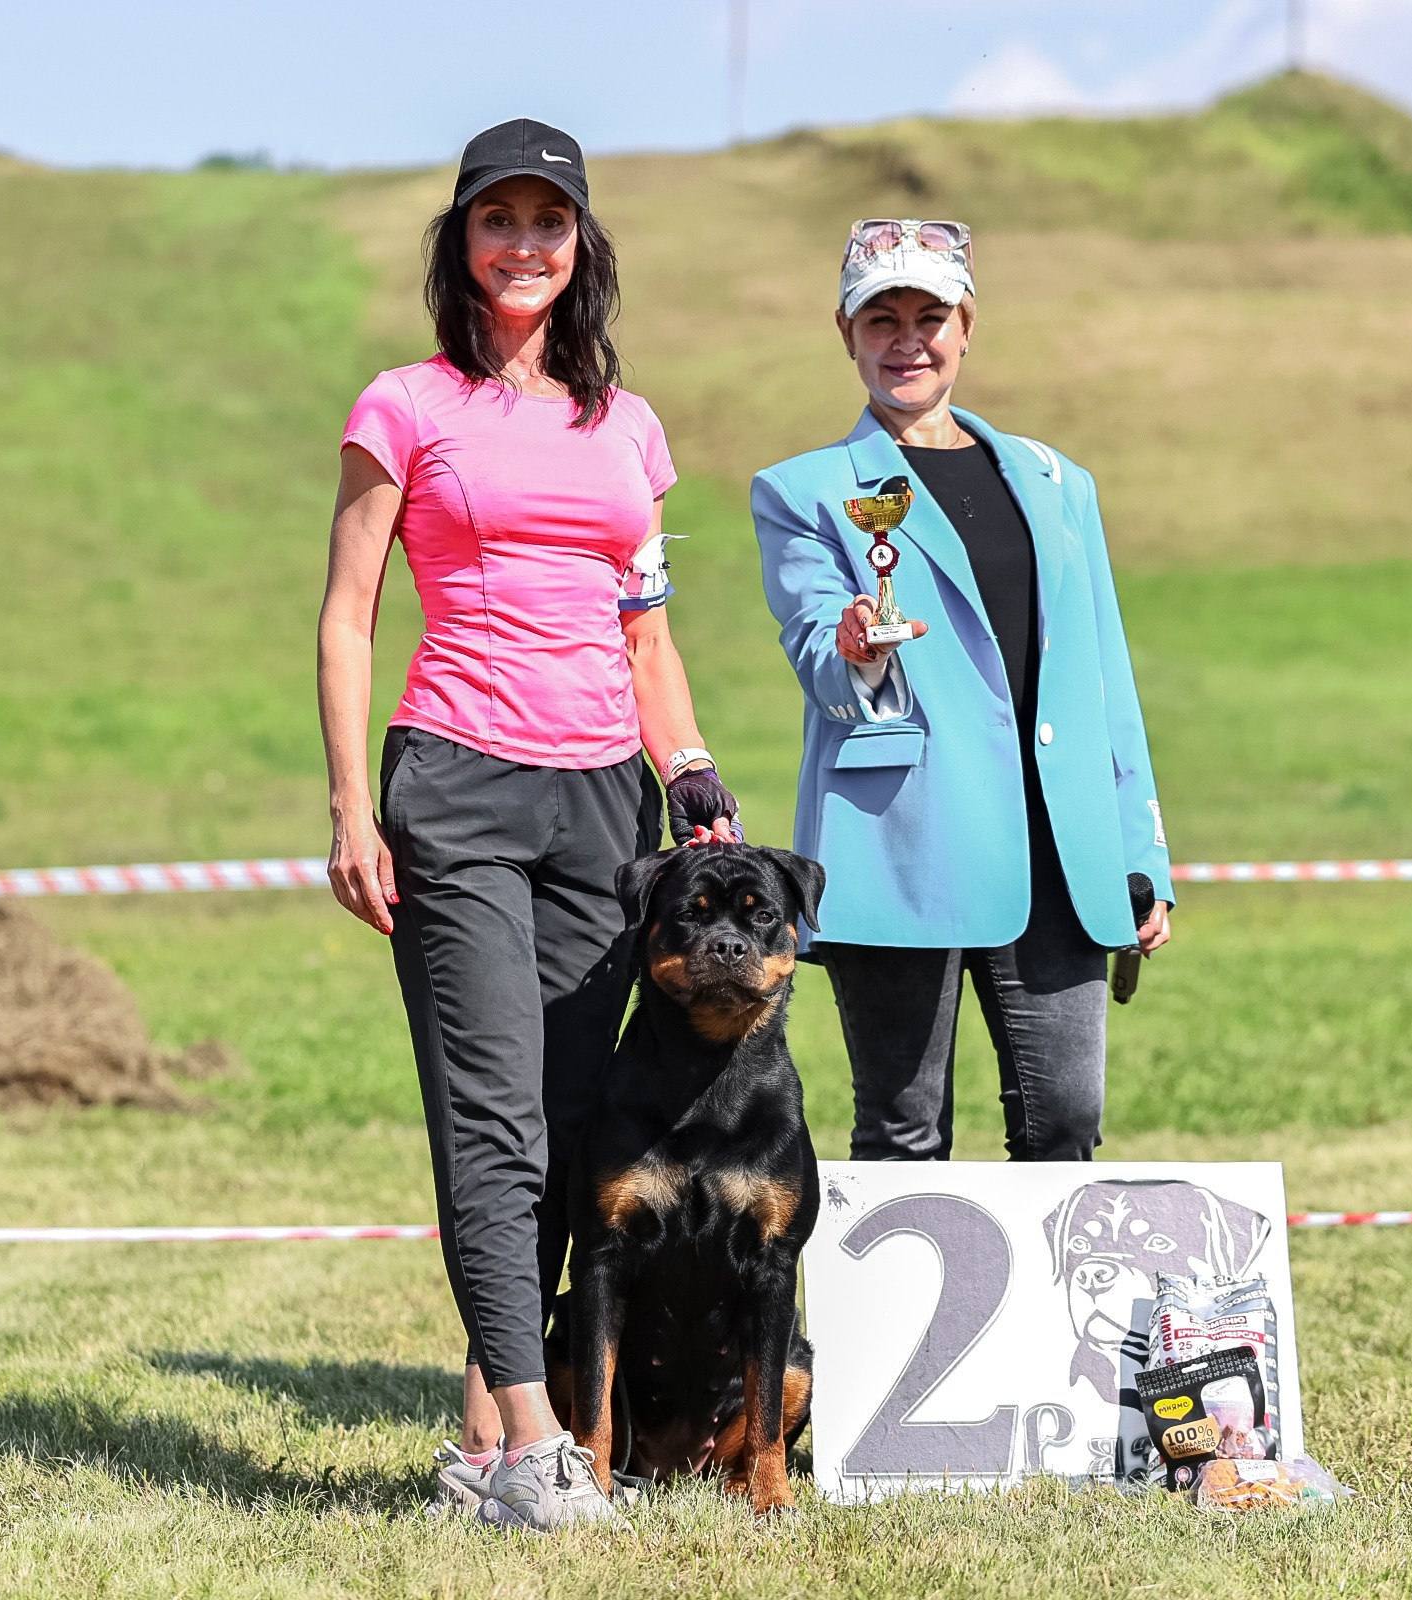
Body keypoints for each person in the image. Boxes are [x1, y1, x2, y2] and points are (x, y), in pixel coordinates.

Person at [315, 118, 739, 1532]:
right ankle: (541, 1447)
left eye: (547, 223)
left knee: (565, 1125)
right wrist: (345, 807)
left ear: (581, 247)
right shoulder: (405, 407)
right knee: (487, 1114)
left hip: (605, 811)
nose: (522, 245)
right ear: (461, 244)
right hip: (457, 787)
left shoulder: (628, 428)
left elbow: (649, 642)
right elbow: (348, 616)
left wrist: (693, 778)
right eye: (496, 221)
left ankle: (479, 1442)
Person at [752, 218, 1173, 1165]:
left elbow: (1105, 675)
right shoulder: (802, 490)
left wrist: (1141, 847)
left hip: (1060, 851)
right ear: (846, 333)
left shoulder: (1060, 482)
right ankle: (896, 1321)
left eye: (930, 315)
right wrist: (855, 645)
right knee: (903, 1133)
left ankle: (1057, 1318)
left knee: (1065, 1121)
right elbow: (817, 653)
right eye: (882, 320)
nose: (908, 340)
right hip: (900, 844)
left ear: (968, 324)